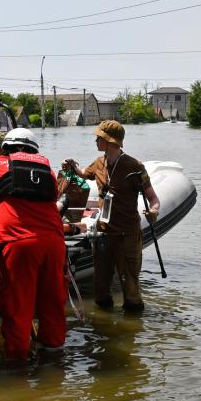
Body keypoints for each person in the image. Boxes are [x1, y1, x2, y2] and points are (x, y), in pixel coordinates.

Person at [0, 128, 67, 360]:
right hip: (54, 241)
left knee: (19, 304)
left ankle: (18, 364)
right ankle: (54, 359)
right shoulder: (46, 168)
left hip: (20, 242)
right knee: (53, 302)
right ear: (34, 150)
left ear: (4, 147)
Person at [60, 120, 160, 312]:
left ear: (110, 141)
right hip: (103, 235)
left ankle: (133, 323)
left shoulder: (134, 166)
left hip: (127, 235)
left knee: (131, 289)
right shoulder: (99, 163)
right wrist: (72, 165)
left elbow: (153, 198)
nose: (96, 141)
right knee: (101, 289)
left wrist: (154, 211)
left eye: (99, 137)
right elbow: (83, 173)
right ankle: (104, 324)